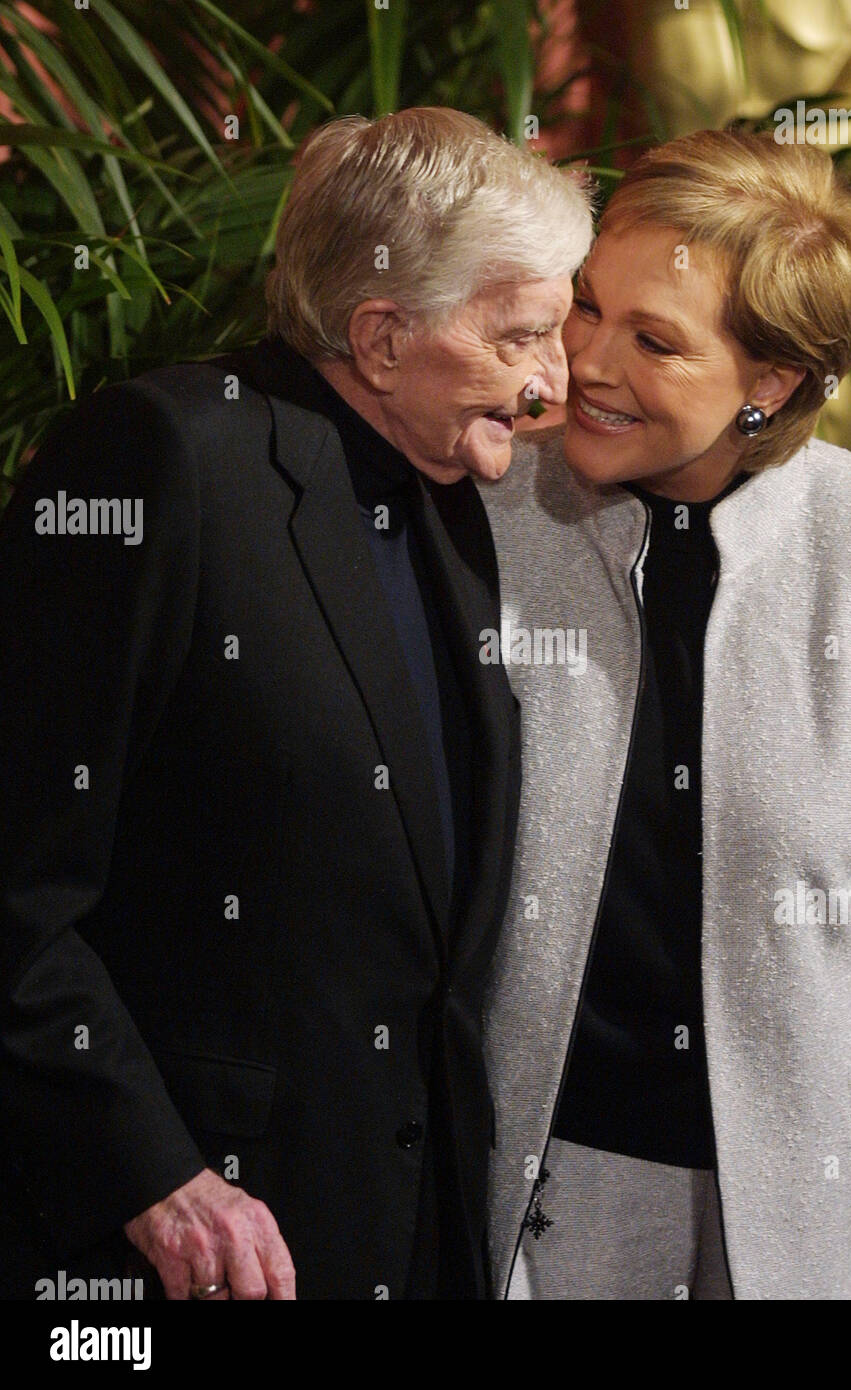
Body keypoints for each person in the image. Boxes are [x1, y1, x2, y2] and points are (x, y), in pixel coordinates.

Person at [0, 107, 592, 1300]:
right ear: (380, 337)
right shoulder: (163, 460)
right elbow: (16, 880)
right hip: (186, 1249)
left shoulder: (455, 496)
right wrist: (154, 1177)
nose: (553, 384)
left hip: (410, 1230)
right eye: (522, 335)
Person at [478, 129, 851, 1299]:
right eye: (587, 306)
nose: (589, 358)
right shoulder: (488, 507)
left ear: (771, 380)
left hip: (827, 1198)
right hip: (546, 1179)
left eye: (655, 339)